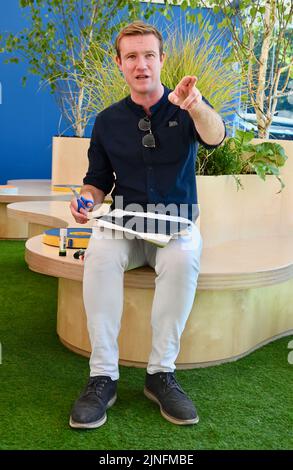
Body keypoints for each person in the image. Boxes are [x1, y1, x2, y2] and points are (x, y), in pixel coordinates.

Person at [69, 21, 225, 429]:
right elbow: (97, 180)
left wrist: (195, 106)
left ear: (161, 60)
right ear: (120, 64)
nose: (142, 65)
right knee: (99, 252)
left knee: (185, 255)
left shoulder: (186, 106)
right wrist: (87, 200)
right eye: (132, 57)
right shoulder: (106, 121)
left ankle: (161, 374)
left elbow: (216, 137)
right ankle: (102, 375)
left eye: (149, 55)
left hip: (176, 225)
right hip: (126, 223)